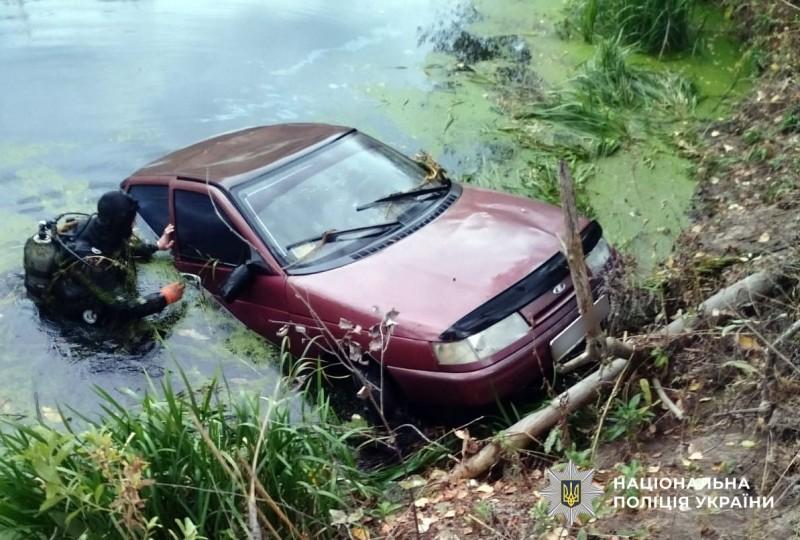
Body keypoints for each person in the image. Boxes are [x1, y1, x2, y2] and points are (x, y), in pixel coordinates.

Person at [24, 190, 185, 326]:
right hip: (75, 313)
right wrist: (164, 297)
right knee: (141, 345)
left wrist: (156, 245)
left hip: (83, 283)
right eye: (131, 220)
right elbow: (124, 306)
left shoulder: (98, 225)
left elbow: (121, 243)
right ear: (121, 223)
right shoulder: (92, 263)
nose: (135, 223)